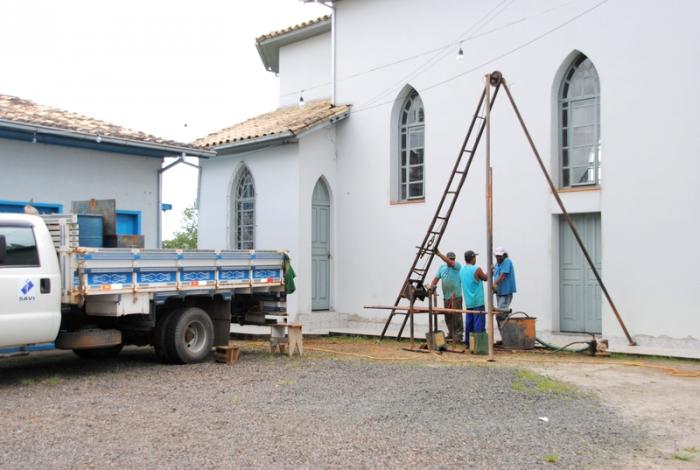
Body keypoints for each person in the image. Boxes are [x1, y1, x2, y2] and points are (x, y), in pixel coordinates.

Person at [428, 250, 464, 342]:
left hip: (456, 296)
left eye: (453, 259)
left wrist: (439, 254)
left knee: (457, 316)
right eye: (450, 259)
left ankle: (459, 335)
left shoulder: (457, 266)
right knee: (448, 316)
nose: (451, 261)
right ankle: (451, 334)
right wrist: (431, 288)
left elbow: (450, 263)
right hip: (446, 297)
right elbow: (436, 279)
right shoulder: (442, 268)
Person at [459, 250, 488, 346]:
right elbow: (486, 278)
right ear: (472, 258)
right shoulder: (477, 269)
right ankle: (477, 345)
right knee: (478, 324)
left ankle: (468, 343)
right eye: (475, 257)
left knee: (469, 323)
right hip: (478, 301)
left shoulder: (462, 270)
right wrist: (491, 270)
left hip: (468, 302)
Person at [492, 246, 516, 328]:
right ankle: (504, 336)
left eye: (500, 256)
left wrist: (494, 284)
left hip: (505, 292)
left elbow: (503, 276)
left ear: (504, 255)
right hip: (499, 292)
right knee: (500, 313)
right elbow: (493, 273)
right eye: (497, 256)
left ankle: (505, 335)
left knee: (501, 313)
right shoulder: (497, 264)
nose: (498, 257)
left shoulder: (507, 261)